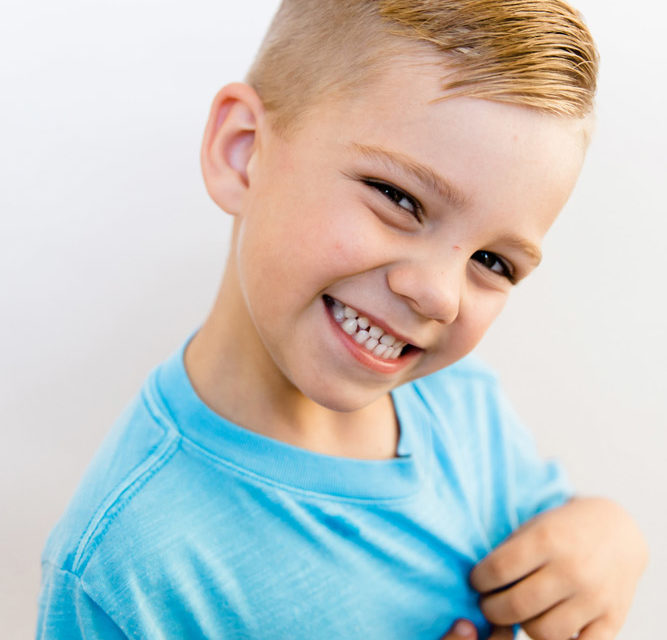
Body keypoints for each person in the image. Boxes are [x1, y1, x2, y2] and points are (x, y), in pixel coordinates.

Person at [36, 1, 648, 638]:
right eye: (399, 198)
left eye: (492, 260)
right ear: (241, 151)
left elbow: (563, 535)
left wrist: (611, 536)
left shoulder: (464, 410)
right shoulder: (124, 568)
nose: (440, 297)